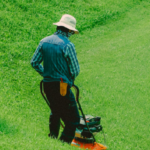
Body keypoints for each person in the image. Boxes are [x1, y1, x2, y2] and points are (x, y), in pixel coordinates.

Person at [31, 14, 80, 144]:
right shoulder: (68, 45)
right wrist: (69, 80)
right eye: (72, 32)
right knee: (74, 118)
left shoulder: (44, 41)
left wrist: (46, 74)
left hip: (47, 84)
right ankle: (63, 142)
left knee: (55, 111)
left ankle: (52, 138)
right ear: (69, 30)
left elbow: (34, 62)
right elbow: (75, 70)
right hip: (62, 85)